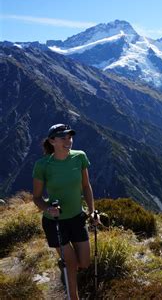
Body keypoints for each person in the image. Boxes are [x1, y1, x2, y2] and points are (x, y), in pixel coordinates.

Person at [32, 124, 98, 300]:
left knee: (84, 262)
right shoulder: (43, 165)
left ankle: (64, 268)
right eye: (63, 138)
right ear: (52, 141)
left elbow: (86, 186)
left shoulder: (80, 157)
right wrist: (48, 208)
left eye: (69, 137)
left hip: (77, 217)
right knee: (71, 263)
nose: (68, 141)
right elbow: (36, 198)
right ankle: (73, 297)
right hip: (55, 221)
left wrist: (92, 211)